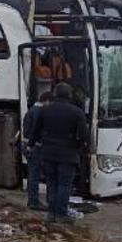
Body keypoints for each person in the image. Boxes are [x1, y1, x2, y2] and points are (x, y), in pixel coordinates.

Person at [28, 82, 88, 224]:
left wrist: (31, 145)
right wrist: (79, 148)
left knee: (51, 183)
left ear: (55, 94)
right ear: (69, 95)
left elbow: (35, 131)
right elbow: (83, 136)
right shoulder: (77, 112)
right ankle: (61, 214)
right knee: (64, 184)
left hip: (48, 152)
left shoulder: (44, 110)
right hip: (68, 154)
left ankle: (51, 213)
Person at [23, 91, 53, 211]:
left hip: (28, 145)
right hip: (35, 146)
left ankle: (33, 200)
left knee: (33, 173)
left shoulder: (31, 110)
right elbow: (38, 130)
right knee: (36, 175)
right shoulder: (39, 111)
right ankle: (34, 201)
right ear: (46, 101)